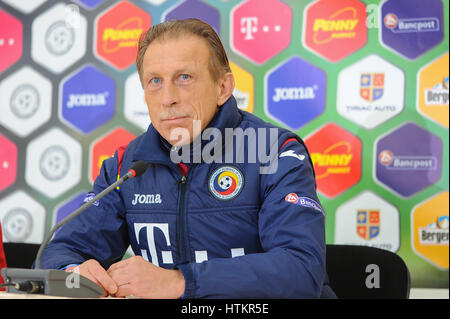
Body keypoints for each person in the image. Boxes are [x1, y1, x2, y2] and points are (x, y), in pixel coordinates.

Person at [39, 19, 336, 299]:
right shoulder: (126, 164)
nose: (168, 97)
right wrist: (72, 271)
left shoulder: (276, 151)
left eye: (184, 77)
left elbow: (300, 271)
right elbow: (61, 251)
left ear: (223, 88)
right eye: (155, 81)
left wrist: (180, 282)